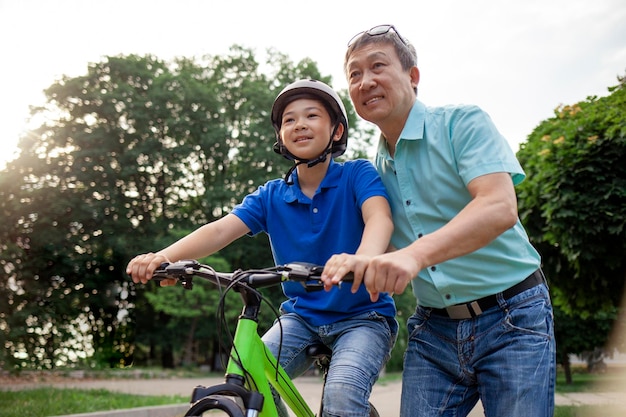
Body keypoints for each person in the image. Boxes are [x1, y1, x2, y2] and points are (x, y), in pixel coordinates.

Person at [126, 79, 398, 417]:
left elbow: (379, 219)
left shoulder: (357, 174)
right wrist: (165, 257)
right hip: (301, 317)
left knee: (341, 395)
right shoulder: (271, 195)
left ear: (337, 131)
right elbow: (220, 230)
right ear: (280, 136)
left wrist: (364, 257)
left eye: (312, 115)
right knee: (250, 375)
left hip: (363, 317)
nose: (299, 124)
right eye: (289, 120)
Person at [323, 24, 556, 417]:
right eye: (355, 74)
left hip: (513, 315)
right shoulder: (375, 171)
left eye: (377, 66)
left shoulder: (461, 122)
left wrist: (412, 256)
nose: (366, 81)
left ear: (413, 77)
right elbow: (391, 244)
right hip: (433, 329)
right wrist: (356, 261)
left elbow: (499, 207)